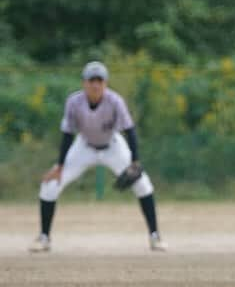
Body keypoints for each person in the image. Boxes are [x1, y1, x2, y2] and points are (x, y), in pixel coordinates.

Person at [29, 61, 168, 252]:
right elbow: (67, 134)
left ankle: (155, 236)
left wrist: (135, 161)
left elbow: (130, 130)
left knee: (143, 185)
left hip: (113, 146)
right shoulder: (74, 102)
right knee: (50, 186)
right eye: (91, 80)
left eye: (99, 80)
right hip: (84, 146)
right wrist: (60, 166)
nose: (95, 85)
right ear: (84, 83)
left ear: (106, 83)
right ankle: (44, 238)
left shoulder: (115, 101)